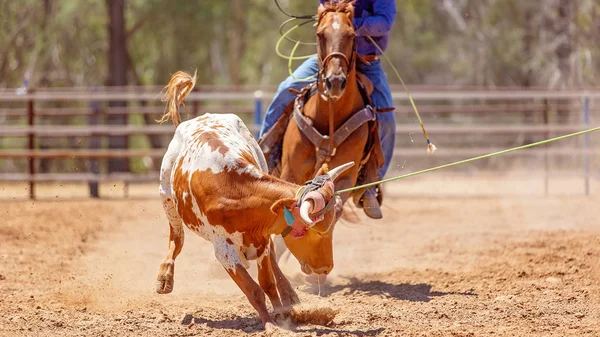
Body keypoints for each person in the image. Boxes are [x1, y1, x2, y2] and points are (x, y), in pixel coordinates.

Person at [260, 0, 396, 219]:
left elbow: (384, 22)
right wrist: (326, 15)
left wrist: (351, 23)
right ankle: (265, 156)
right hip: (331, 57)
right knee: (286, 89)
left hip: (368, 61)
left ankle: (371, 182)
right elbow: (324, 10)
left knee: (386, 118)